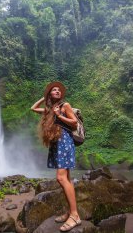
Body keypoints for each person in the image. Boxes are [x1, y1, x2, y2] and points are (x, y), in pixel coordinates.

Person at [30, 81, 81, 232]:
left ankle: (75, 215)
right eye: (54, 90)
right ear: (50, 94)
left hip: (64, 142)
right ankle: (69, 211)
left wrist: (59, 115)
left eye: (59, 90)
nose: (58, 91)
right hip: (56, 144)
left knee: (61, 178)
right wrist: (43, 97)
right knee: (66, 179)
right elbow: (32, 108)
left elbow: (74, 123)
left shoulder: (65, 106)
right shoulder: (50, 109)